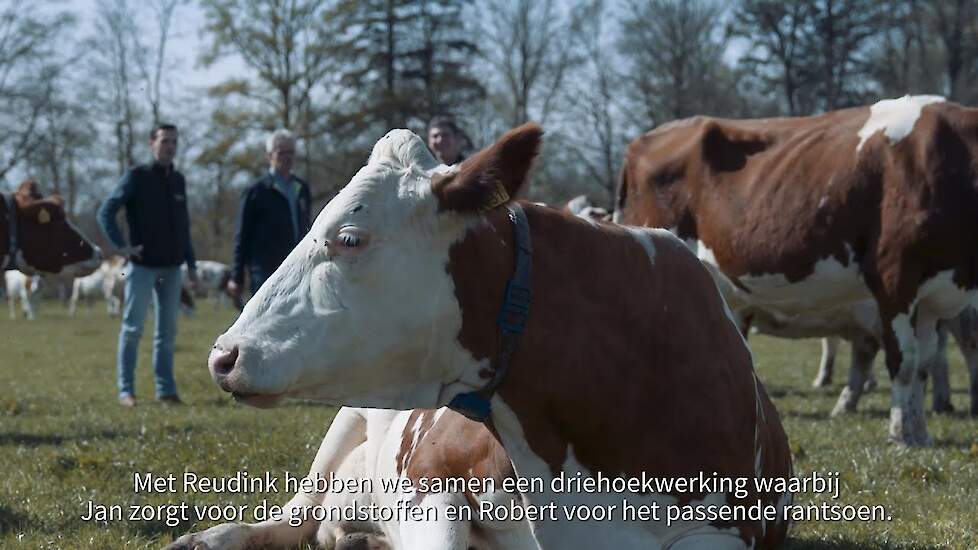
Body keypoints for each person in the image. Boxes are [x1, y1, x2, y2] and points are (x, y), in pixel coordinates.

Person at [97, 123, 198, 407]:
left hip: (172, 268)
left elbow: (183, 225)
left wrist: (191, 264)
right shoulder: (136, 177)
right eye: (165, 141)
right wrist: (121, 246)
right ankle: (125, 391)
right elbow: (106, 211)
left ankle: (165, 390)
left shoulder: (178, 180)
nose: (170, 146)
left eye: (174, 141)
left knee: (166, 333)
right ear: (152, 143)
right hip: (142, 267)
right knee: (132, 329)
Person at [227, 129, 312, 300]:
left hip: (297, 267)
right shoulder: (256, 191)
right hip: (265, 270)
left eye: (291, 152)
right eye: (281, 152)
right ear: (270, 156)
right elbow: (242, 235)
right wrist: (237, 276)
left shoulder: (301, 188)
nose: (287, 157)